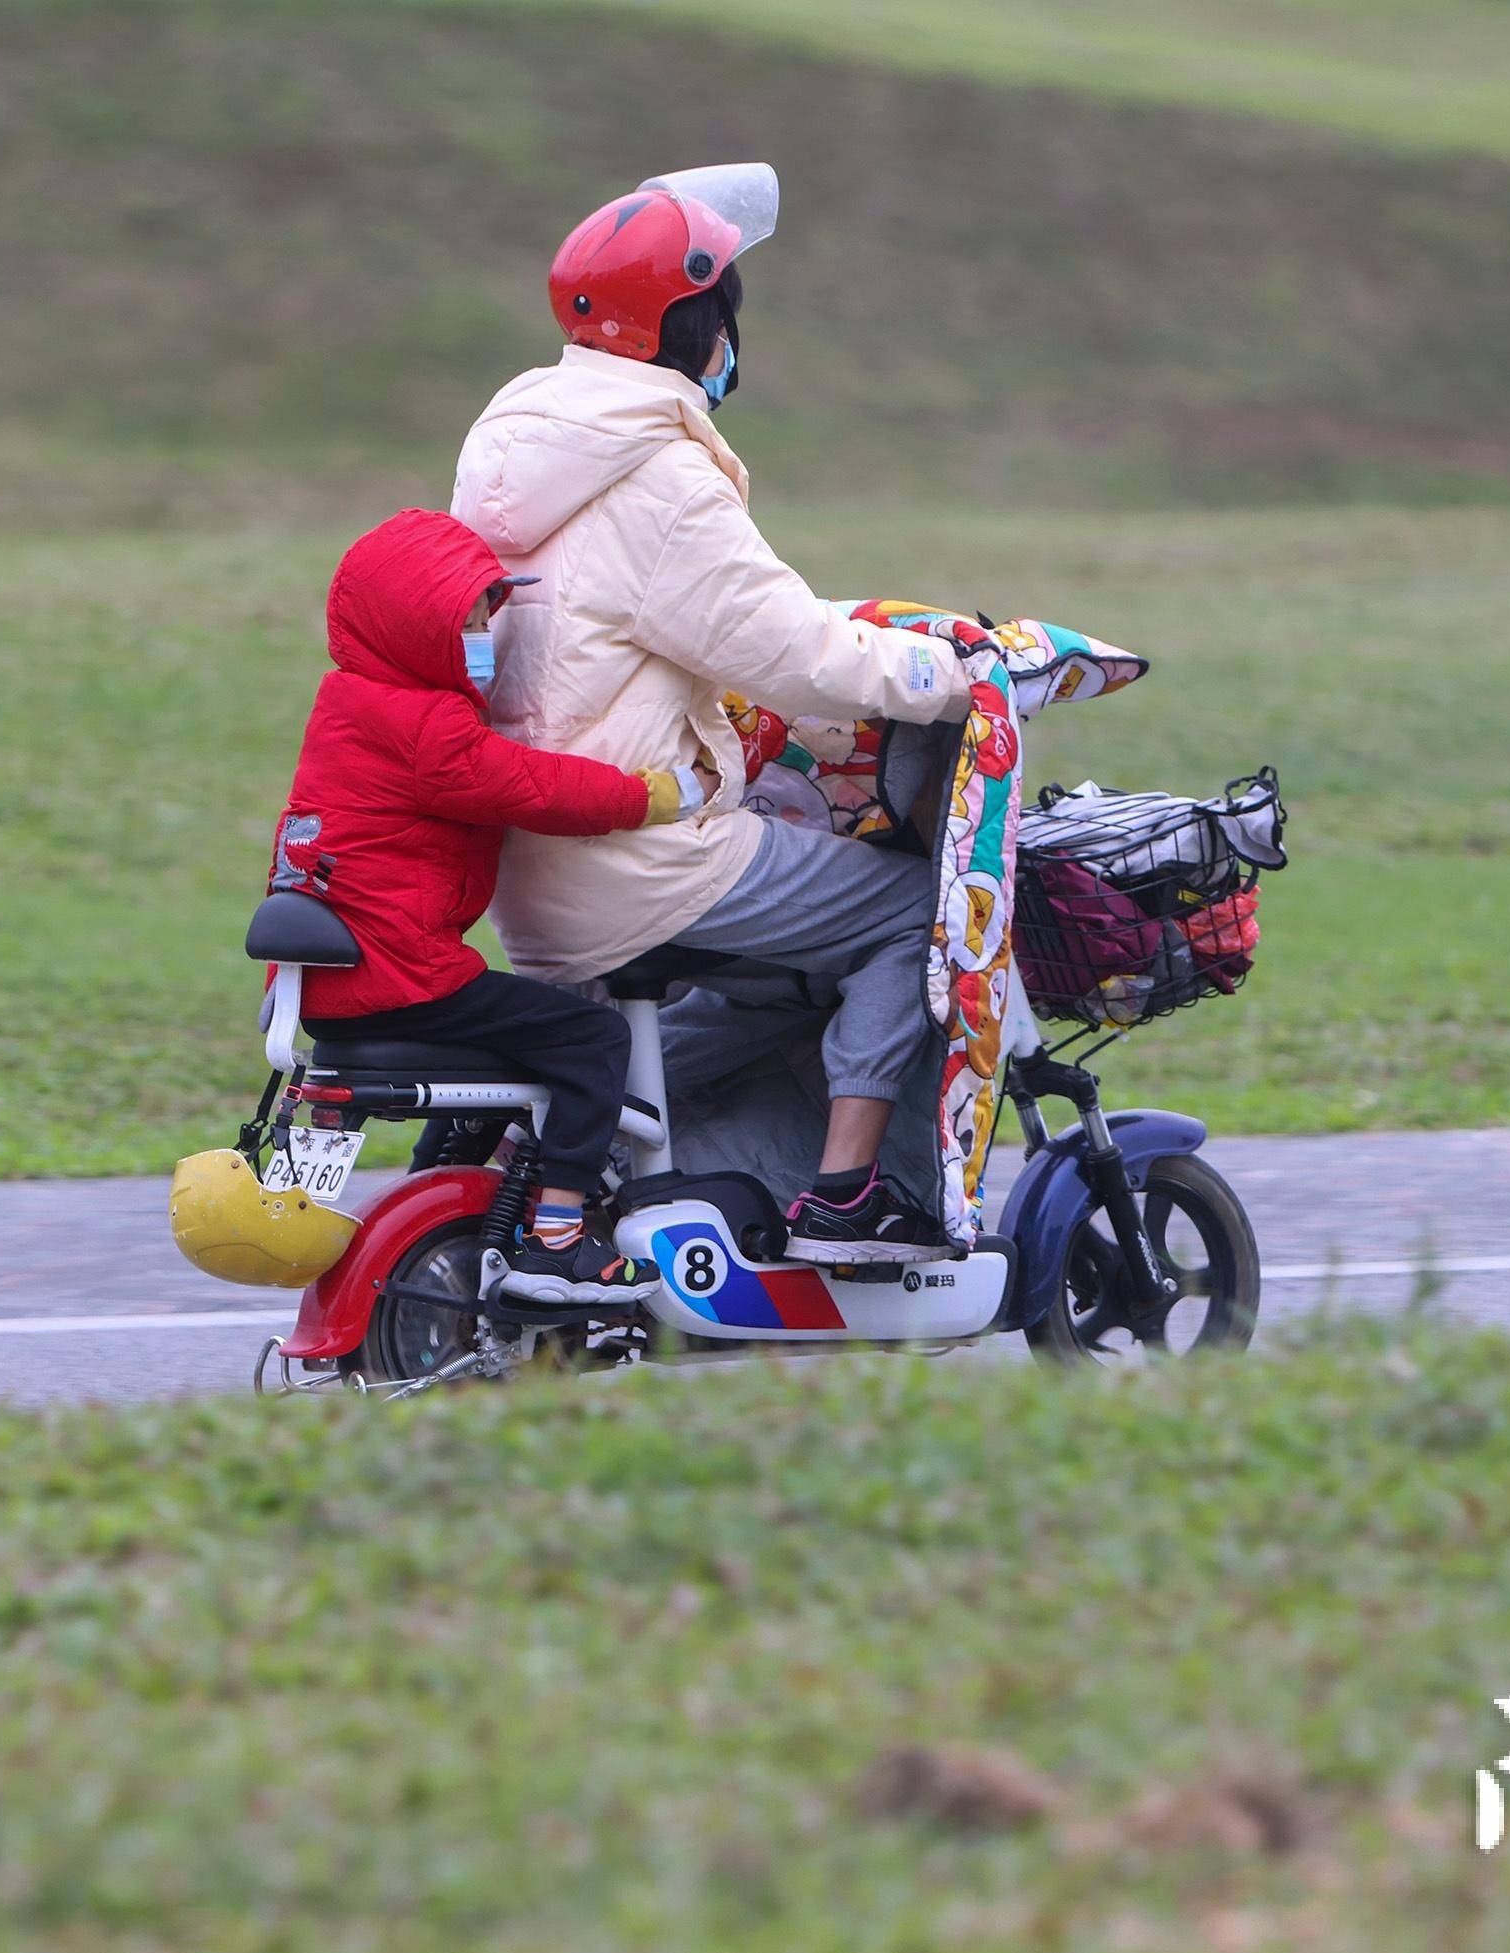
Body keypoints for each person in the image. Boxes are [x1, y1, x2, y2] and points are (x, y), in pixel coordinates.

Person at [451, 165, 982, 1259]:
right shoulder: (658, 477)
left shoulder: (523, 453)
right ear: (695, 332)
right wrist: (960, 676)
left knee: (787, 923)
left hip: (534, 861)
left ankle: (572, 1139)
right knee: (919, 912)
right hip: (636, 861)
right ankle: (849, 1197)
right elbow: (793, 653)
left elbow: (676, 623)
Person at [270, 508, 707, 1305]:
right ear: (415, 629)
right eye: (470, 620)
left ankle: (441, 1203)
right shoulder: (429, 727)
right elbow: (532, 786)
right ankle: (558, 1240)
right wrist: (648, 796)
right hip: (401, 976)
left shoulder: (348, 701)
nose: (485, 635)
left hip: (342, 981)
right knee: (592, 1037)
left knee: (511, 1052)